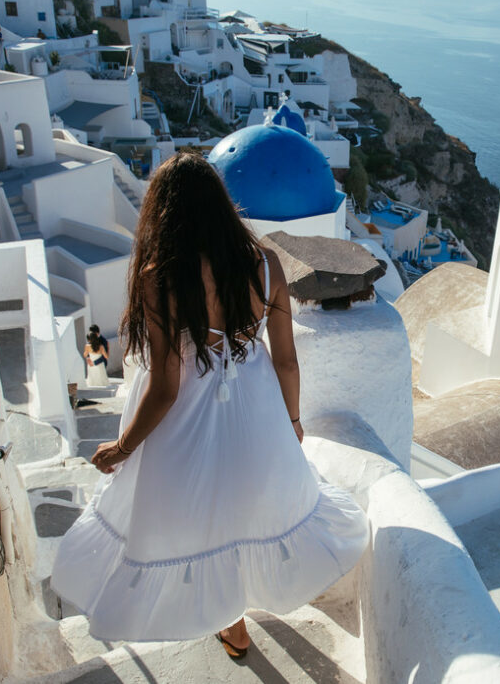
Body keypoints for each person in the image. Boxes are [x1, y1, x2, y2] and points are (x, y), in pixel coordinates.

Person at [50, 152, 368, 656]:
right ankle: (235, 621)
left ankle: (232, 624)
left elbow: (165, 388)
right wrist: (292, 422)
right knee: (245, 512)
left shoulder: (162, 277)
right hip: (258, 409)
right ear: (221, 205)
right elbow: (287, 362)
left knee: (204, 519)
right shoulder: (266, 264)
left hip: (186, 421)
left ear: (165, 212)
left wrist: (124, 446)